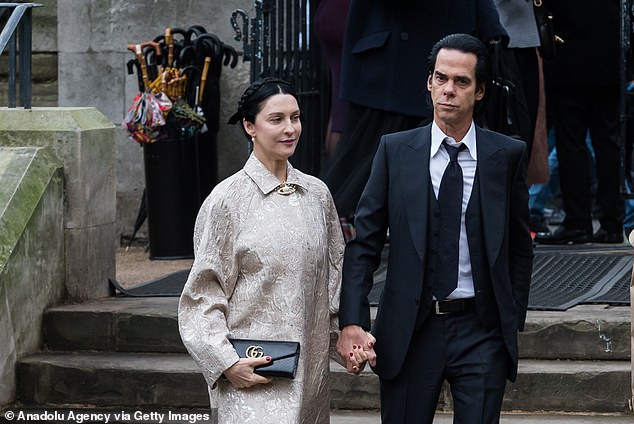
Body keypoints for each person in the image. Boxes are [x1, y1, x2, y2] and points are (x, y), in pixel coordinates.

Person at [337, 34, 534, 423]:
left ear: (479, 91)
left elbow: (518, 247)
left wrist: (510, 322)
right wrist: (352, 321)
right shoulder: (395, 151)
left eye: (462, 82)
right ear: (428, 82)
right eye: (440, 78)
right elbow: (363, 244)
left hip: (481, 331)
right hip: (411, 331)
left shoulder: (506, 155)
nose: (449, 90)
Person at [178, 78, 347, 423]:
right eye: (276, 119)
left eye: (295, 117)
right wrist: (226, 363)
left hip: (311, 383)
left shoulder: (317, 195)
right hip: (250, 379)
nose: (290, 129)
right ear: (249, 126)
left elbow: (334, 281)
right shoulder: (226, 201)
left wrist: (346, 343)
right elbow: (202, 296)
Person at [320, 0, 509, 222]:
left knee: (439, 158)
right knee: (366, 166)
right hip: (397, 60)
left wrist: (490, 25)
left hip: (448, 47)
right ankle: (333, 227)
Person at [535, 0, 624, 244]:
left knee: (570, 141)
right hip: (608, 55)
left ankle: (578, 221)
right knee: (608, 140)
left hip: (568, 55)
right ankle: (613, 222)